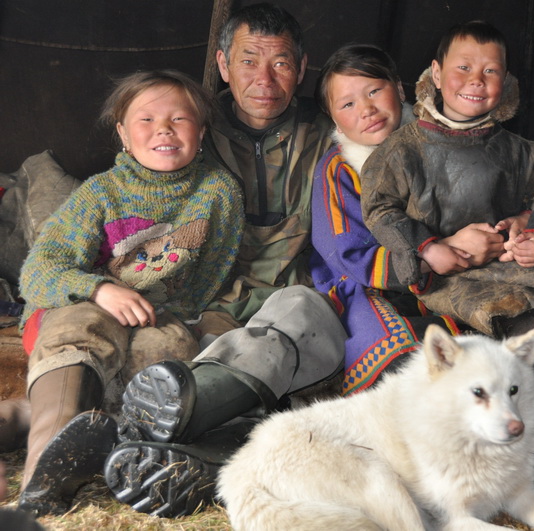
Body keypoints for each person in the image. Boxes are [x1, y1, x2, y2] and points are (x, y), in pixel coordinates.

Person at [103, 3, 346, 518]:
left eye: (281, 63)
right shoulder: (190, 132)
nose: (264, 79)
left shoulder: (332, 135)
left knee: (298, 322)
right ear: (222, 64)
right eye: (248, 60)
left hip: (294, 308)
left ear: (302, 69)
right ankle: (191, 457)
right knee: (230, 380)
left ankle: (145, 436)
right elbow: (139, 216)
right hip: (210, 308)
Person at [360, 20, 534, 474]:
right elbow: (380, 210)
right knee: (522, 317)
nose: (476, 81)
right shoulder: (402, 151)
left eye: (490, 72)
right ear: (435, 73)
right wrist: (429, 248)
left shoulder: (519, 151)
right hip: (452, 278)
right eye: (463, 68)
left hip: (512, 265)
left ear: (506, 82)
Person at [15, 69, 244, 516]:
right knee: (87, 326)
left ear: (201, 132)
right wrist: (100, 289)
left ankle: (103, 445)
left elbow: (209, 280)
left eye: (179, 119)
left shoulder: (218, 193)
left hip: (158, 315)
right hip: (80, 307)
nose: (164, 129)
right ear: (123, 133)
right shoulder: (101, 192)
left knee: (169, 348)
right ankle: (45, 470)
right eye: (147, 119)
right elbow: (38, 272)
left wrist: (192, 322)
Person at [310, 43, 467, 394]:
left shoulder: (437, 142)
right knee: (403, 357)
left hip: (444, 269)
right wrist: (435, 254)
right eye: (347, 104)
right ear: (333, 119)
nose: (366, 110)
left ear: (399, 88)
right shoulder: (338, 170)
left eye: (374, 91)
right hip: (364, 283)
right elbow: (349, 255)